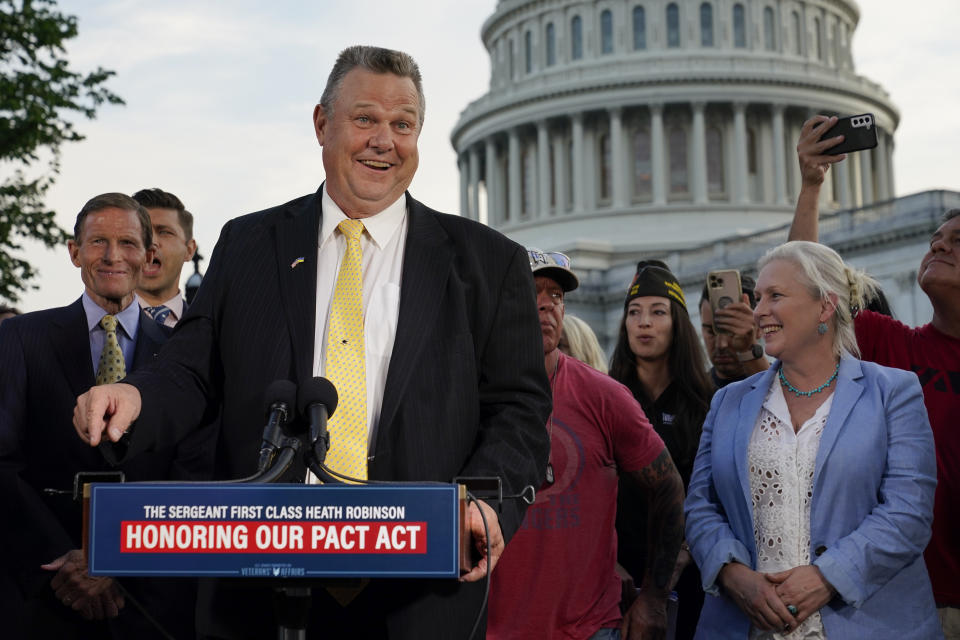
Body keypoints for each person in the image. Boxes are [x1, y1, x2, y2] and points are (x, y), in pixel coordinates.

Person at [72, 46, 551, 639]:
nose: (385, 140)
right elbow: (191, 370)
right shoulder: (249, 244)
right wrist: (137, 398)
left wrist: (486, 502)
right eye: (366, 119)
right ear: (322, 124)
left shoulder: (487, 263)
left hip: (421, 594)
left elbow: (520, 411)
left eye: (403, 125)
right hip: (258, 589)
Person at [685, 240, 941, 639]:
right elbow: (700, 506)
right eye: (757, 299)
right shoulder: (728, 401)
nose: (758, 311)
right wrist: (732, 574)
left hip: (872, 624)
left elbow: (909, 513)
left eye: (775, 296)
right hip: (746, 625)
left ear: (825, 306)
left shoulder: (894, 391)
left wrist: (828, 577)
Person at [791, 115, 960, 639]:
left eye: (958, 239)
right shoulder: (896, 348)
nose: (939, 245)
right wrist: (812, 186)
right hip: (910, 600)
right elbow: (803, 288)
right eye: (935, 237)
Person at [0, 193, 194, 638]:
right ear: (74, 252)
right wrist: (65, 559)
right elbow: (4, 462)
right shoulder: (20, 338)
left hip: (149, 599)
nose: (112, 256)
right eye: (97, 242)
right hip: (47, 592)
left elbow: (191, 470)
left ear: (148, 256)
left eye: (127, 243)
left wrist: (117, 559)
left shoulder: (181, 353)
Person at [487, 249, 684, 640]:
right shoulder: (471, 397)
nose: (546, 304)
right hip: (490, 629)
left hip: (591, 629)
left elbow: (669, 489)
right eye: (532, 291)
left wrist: (654, 598)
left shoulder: (605, 397)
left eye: (556, 296)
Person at [609, 260, 713, 640]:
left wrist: (678, 560)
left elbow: (711, 494)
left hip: (688, 578)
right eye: (634, 312)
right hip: (614, 577)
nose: (643, 322)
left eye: (657, 312)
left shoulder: (706, 403)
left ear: (678, 325)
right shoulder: (606, 397)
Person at [132, 188, 197, 327]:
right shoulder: (86, 327)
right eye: (141, 231)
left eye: (164, 232)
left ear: (189, 250)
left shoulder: (214, 334)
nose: (151, 242)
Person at [699, 274, 769, 389]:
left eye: (731, 331)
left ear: (759, 328)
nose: (721, 344)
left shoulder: (787, 386)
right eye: (712, 332)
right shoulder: (690, 395)